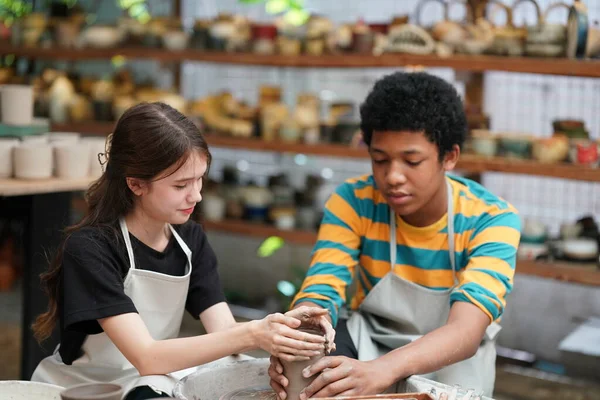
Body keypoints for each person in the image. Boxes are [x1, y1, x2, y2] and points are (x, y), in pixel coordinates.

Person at [31, 102, 334, 400]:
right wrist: (256, 333)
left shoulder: (189, 239)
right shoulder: (91, 249)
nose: (197, 195)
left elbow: (225, 332)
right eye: (181, 185)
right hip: (86, 388)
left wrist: (285, 328)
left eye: (200, 178)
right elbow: (146, 355)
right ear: (136, 184)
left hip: (147, 380)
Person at [269, 72, 521, 398]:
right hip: (369, 341)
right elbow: (322, 288)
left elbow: (465, 331)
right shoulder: (354, 202)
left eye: (412, 161)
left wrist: (384, 370)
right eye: (380, 160)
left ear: (450, 157)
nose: (393, 177)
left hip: (451, 357)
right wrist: (296, 338)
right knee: (310, 371)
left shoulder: (491, 219)